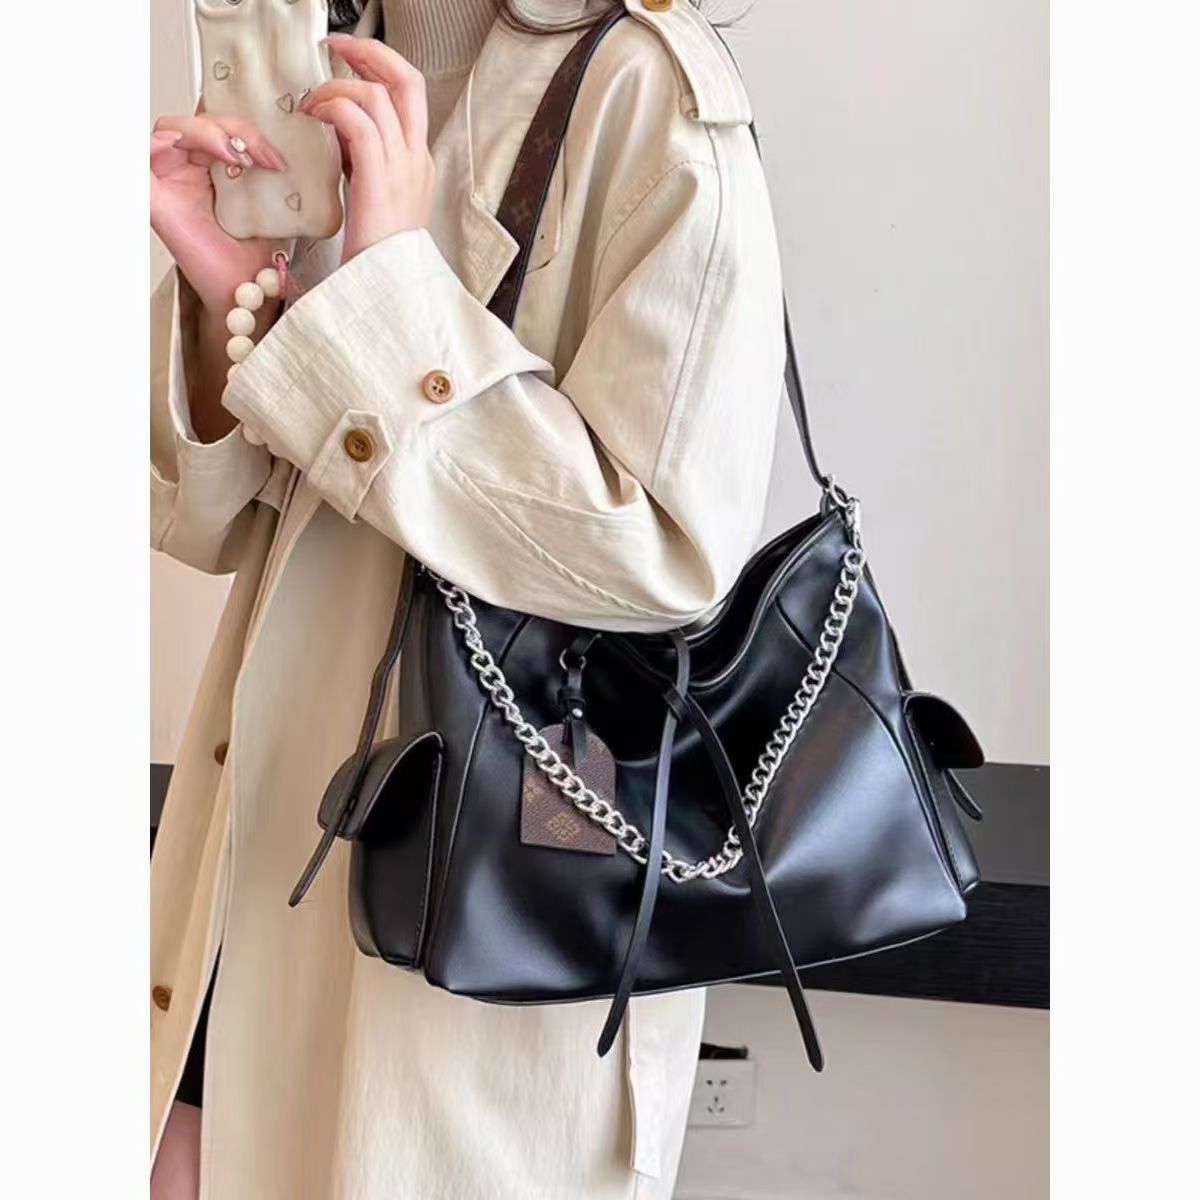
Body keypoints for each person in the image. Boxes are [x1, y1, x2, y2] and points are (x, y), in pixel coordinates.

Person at [149, 1, 784, 1197]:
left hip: (466, 936)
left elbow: (660, 553)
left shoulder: (647, 93)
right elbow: (218, 523)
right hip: (252, 858)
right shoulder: (317, 59)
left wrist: (389, 297)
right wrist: (225, 296)